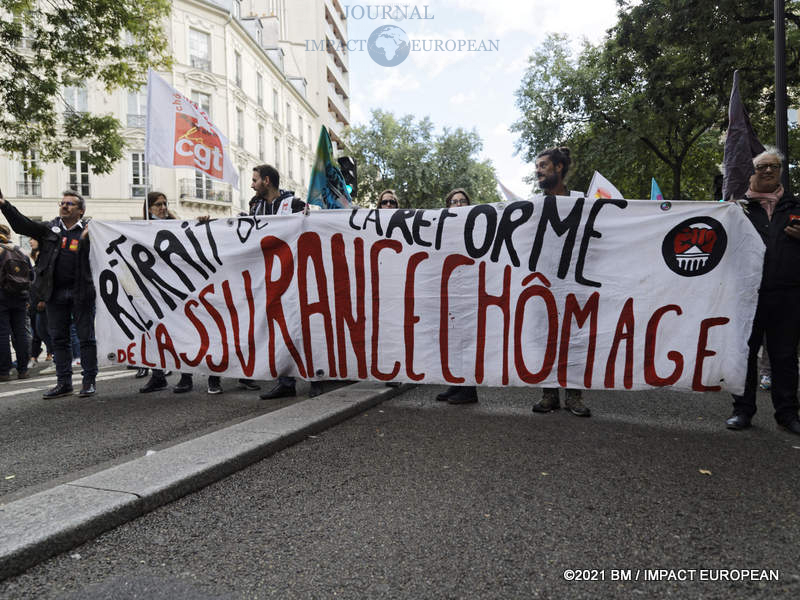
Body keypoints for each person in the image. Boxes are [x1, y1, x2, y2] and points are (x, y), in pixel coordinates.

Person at [726, 148, 800, 435]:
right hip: (747, 293)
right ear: (750, 172)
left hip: (788, 293)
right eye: (762, 167)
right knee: (745, 354)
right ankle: (742, 410)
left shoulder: (795, 207)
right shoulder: (736, 209)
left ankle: (788, 414)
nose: (769, 171)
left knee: (784, 356)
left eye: (775, 167)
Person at [0, 188, 97, 398]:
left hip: (82, 292)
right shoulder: (48, 230)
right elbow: (21, 224)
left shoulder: (92, 231)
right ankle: (64, 383)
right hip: (54, 293)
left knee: (86, 338)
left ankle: (89, 381)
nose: (64, 206)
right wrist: (4, 205)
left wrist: (90, 237)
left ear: (80, 210)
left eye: (70, 203)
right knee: (59, 339)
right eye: (62, 203)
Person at [529, 147, 592, 417]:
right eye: (537, 166)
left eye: (543, 165)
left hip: (575, 283)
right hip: (543, 282)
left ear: (558, 168)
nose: (538, 171)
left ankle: (574, 396)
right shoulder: (533, 204)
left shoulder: (582, 200)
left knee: (574, 340)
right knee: (546, 339)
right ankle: (549, 395)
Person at [251, 164, 321, 400]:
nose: (252, 184)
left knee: (304, 326)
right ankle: (286, 381)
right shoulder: (256, 207)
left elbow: (316, 222)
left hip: (297, 276)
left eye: (255, 180)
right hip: (269, 278)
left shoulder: (293, 204)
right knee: (278, 330)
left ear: (267, 181)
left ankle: (315, 377)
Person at [435, 188, 478, 405]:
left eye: (462, 201)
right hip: (451, 290)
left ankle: (469, 390)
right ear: (448, 206)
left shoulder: (478, 228)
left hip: (470, 291)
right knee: (453, 340)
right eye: (454, 201)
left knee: (467, 340)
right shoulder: (444, 229)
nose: (458, 205)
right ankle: (456, 382)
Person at [0, 224, 31, 381]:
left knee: (2, 334)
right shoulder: (20, 251)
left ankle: (4, 371)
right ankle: (23, 369)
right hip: (20, 296)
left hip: (1, 296)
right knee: (20, 333)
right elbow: (30, 275)